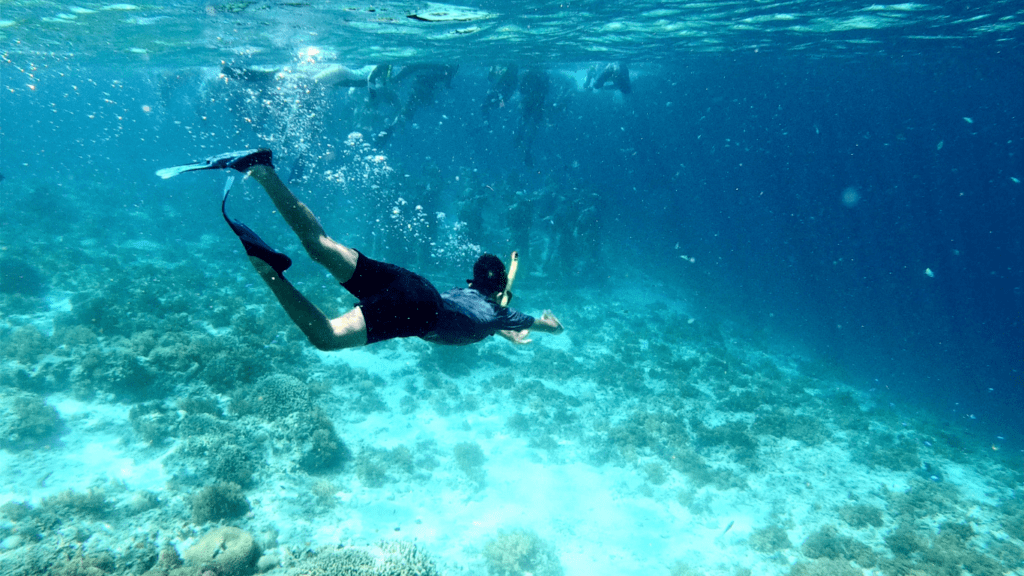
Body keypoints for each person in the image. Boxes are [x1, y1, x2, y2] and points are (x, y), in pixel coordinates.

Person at [157, 149, 563, 349]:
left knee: (320, 244)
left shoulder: (478, 298)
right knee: (327, 337)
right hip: (419, 313)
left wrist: (510, 307)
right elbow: (522, 314)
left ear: (474, 280)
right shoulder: (501, 312)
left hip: (414, 284)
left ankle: (261, 169)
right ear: (497, 294)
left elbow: (503, 291)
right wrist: (549, 325)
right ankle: (270, 272)